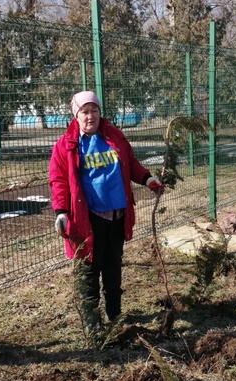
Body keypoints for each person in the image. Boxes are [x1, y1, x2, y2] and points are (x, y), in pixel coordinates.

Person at [48, 91, 163, 337]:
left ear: (100, 113)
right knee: (90, 270)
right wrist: (60, 211)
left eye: (95, 111)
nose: (91, 116)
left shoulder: (114, 137)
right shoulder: (66, 146)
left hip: (117, 217)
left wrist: (148, 179)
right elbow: (58, 180)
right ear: (76, 115)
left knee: (113, 268)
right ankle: (92, 322)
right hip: (88, 219)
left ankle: (115, 315)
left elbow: (131, 164)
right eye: (85, 112)